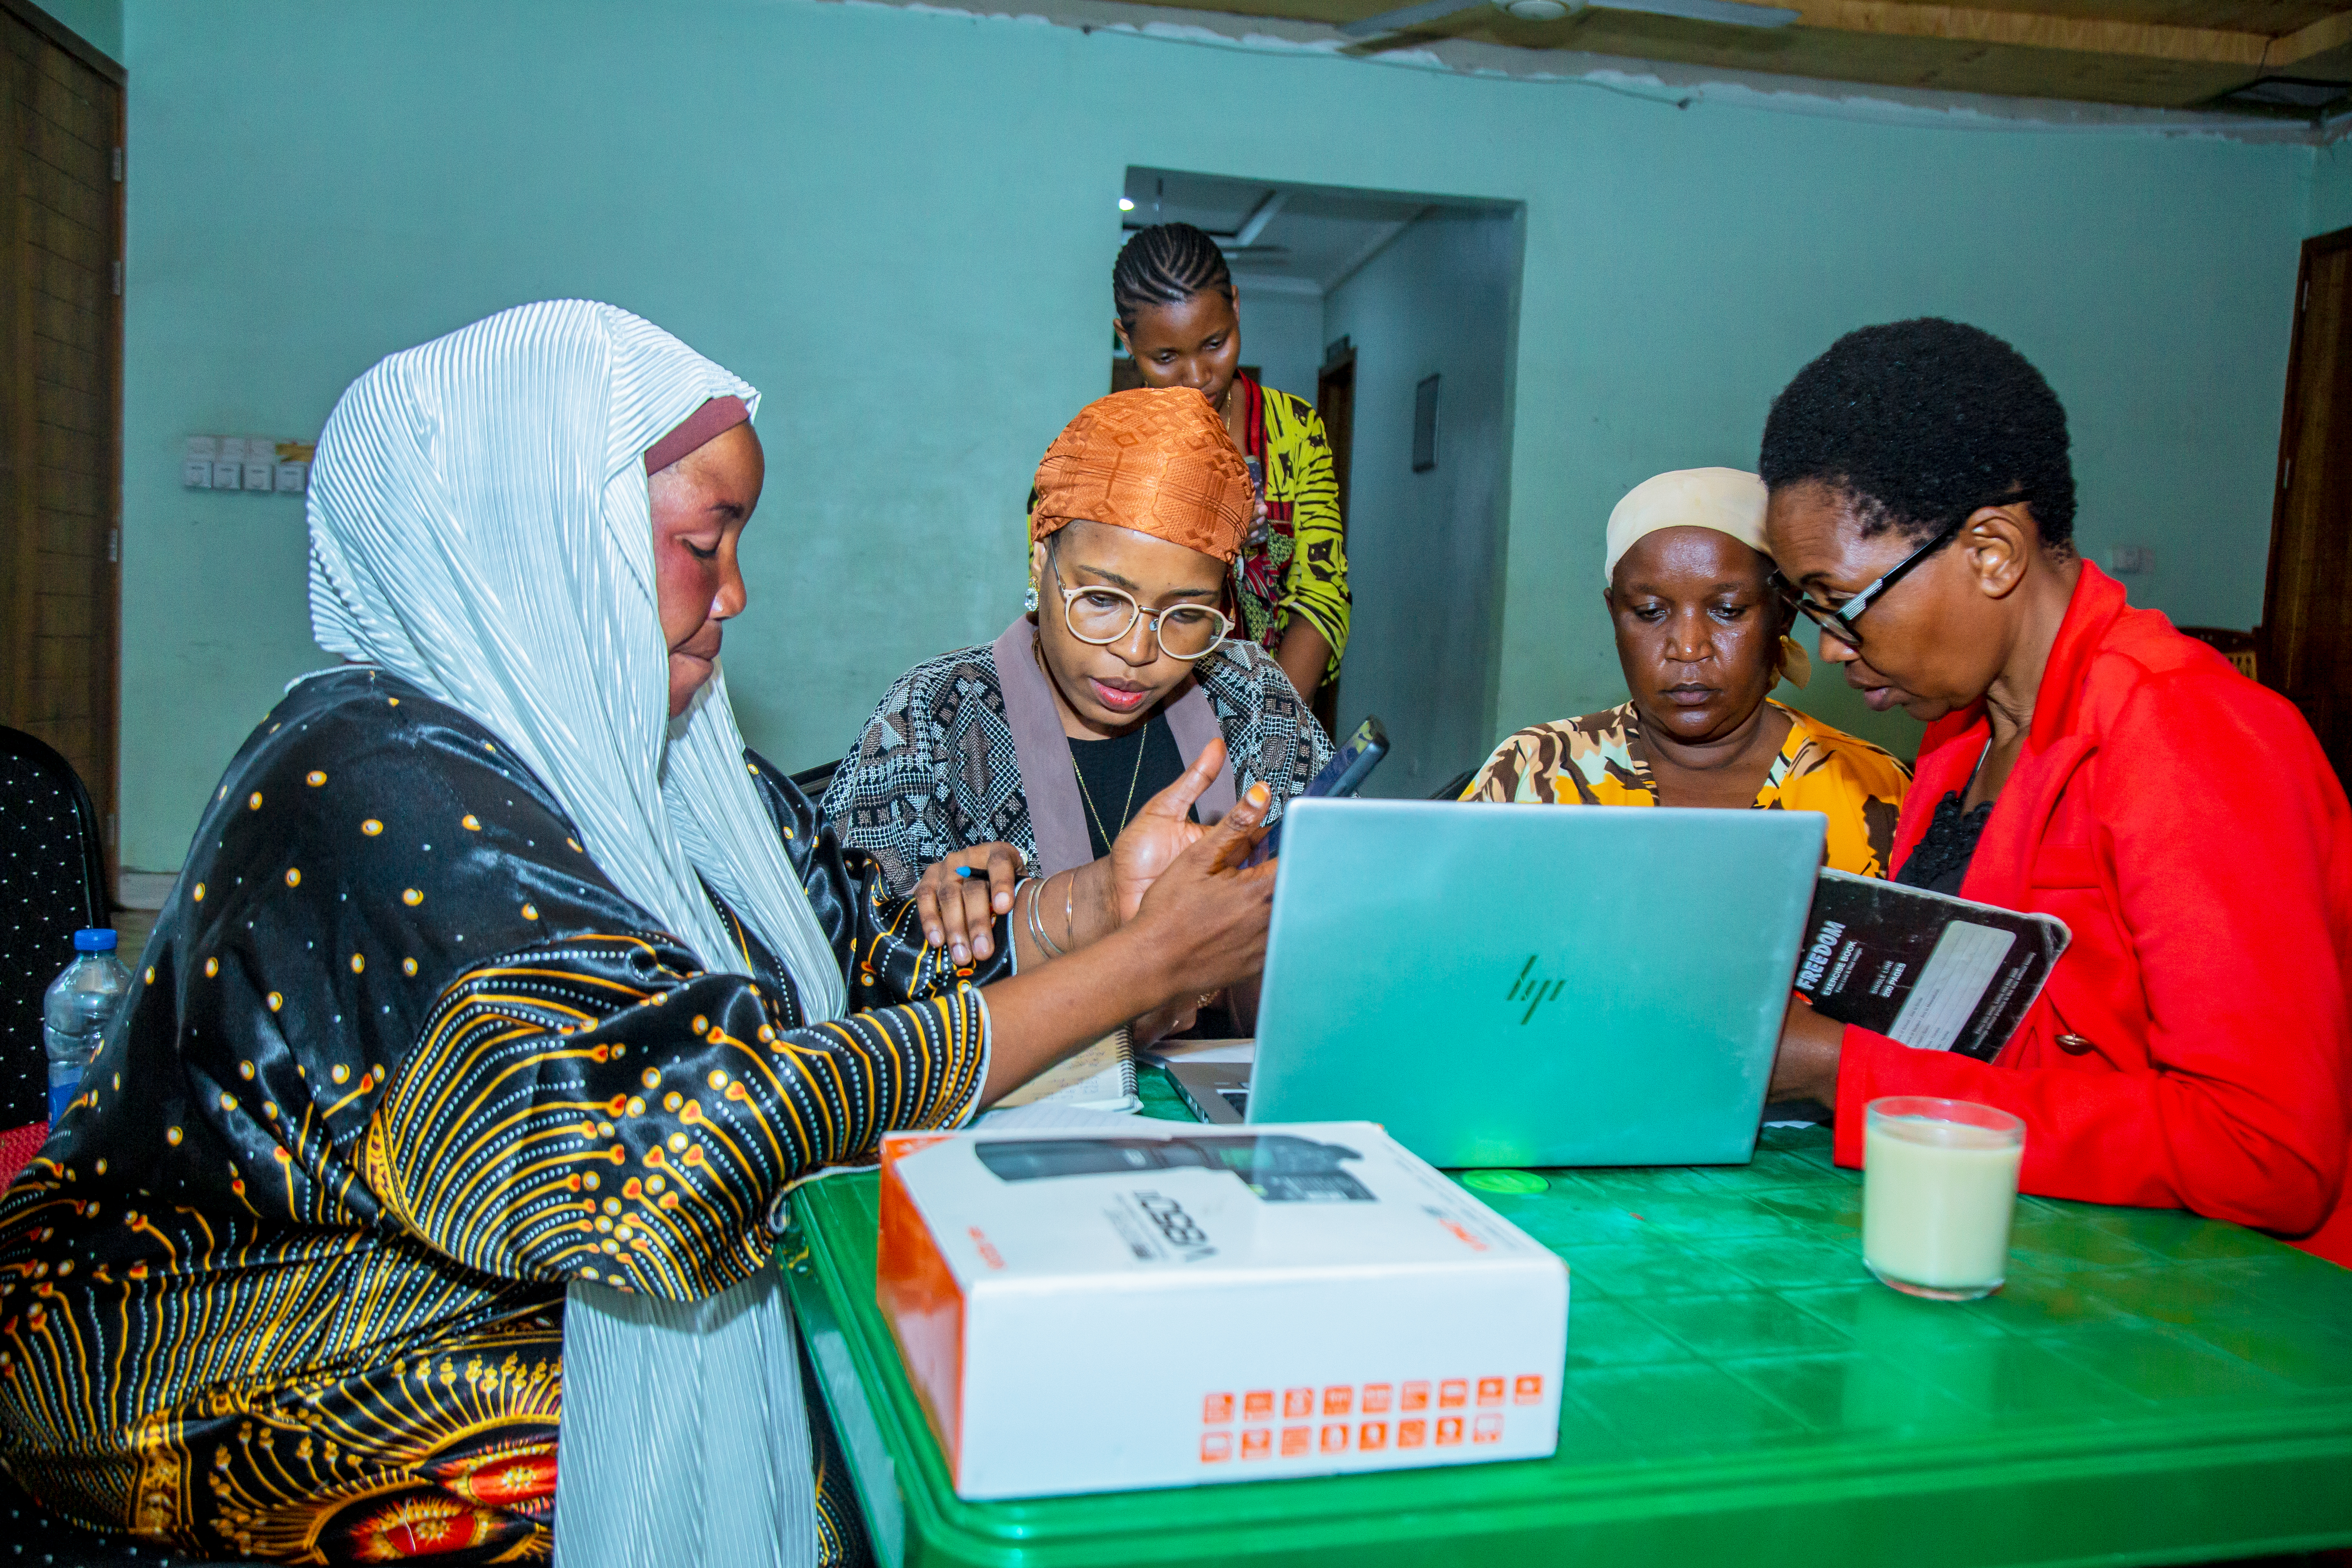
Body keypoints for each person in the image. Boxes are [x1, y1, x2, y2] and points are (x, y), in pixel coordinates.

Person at [0, 302, 1276, 1564]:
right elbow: (666, 1163)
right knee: (877, 1437)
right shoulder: (371, 781)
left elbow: (860, 953)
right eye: (700, 541)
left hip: (484, 1299)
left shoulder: (661, 765)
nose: (737, 590)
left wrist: (1099, 904)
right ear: (539, 539)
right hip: (238, 1356)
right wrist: (1143, 964)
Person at [1760, 317, 2352, 1265]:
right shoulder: (1958, 739)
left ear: (1991, 550)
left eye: (1840, 601)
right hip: (2048, 1254)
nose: (1830, 647)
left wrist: (1841, 1068)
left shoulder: (2184, 735)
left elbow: (2264, 1149)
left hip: (2229, 1307)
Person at [824, 386, 1331, 935]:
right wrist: (933, 924)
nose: (1137, 653)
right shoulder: (929, 719)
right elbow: (840, 954)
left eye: (1185, 615)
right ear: (1041, 559)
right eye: (1102, 601)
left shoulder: (1255, 703)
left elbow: (1339, 927)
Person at [1463, 468, 1909, 879]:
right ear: (1615, 616)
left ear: (1784, 615)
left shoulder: (1875, 791)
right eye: (1650, 612)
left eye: (1728, 611)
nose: (1688, 648)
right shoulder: (1535, 772)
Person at [1111, 222, 1349, 706]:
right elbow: (1074, 595)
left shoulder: (1296, 431)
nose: (1198, 377)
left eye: (1215, 344)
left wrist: (1269, 730)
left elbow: (1322, 596)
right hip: (1141, 712)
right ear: (1126, 340)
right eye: (1164, 356)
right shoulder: (1106, 450)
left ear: (1236, 307)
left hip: (1280, 705)